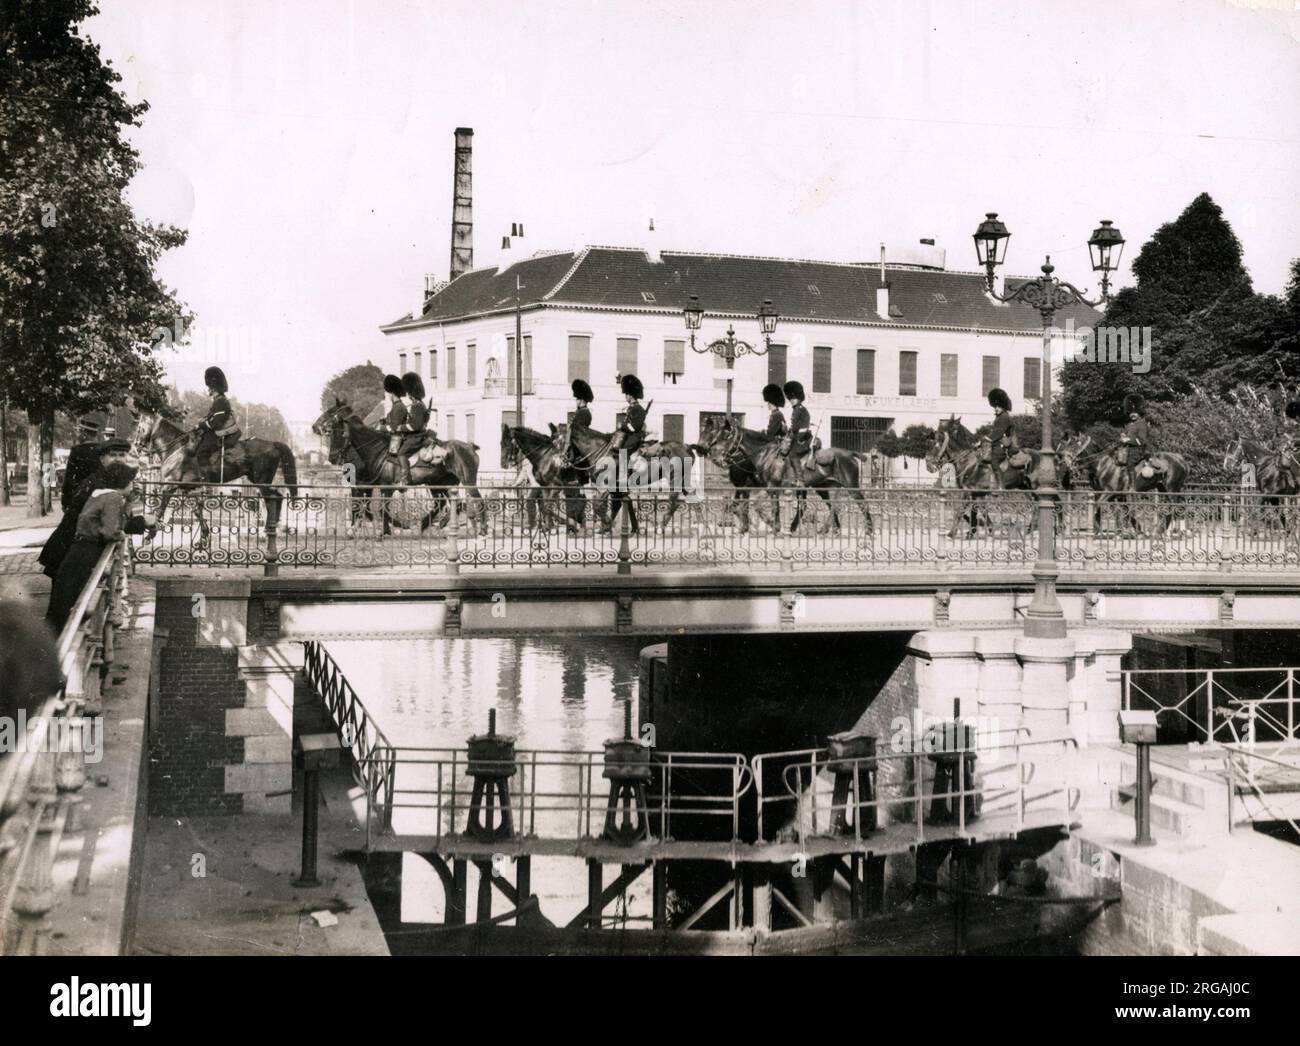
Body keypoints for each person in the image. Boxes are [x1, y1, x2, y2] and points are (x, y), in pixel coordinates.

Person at [39, 438, 148, 581]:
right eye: (112, 455)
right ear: (102, 459)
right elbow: (109, 525)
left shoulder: (112, 481)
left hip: (82, 551)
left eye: (121, 455)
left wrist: (130, 500)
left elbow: (117, 521)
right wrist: (143, 522)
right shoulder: (98, 484)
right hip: (71, 549)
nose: (117, 459)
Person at [46, 462, 137, 632]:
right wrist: (121, 535)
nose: (133, 486)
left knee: (64, 596)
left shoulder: (98, 494)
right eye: (131, 481)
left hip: (77, 549)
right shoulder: (113, 498)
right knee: (80, 595)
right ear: (123, 482)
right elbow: (110, 531)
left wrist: (129, 504)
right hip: (88, 551)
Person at [608, 373, 646, 534]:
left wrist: (623, 426)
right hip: (628, 436)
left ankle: (624, 475)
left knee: (623, 451)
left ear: (632, 395)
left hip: (634, 438)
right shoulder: (631, 408)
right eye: (626, 394)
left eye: (628, 394)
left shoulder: (638, 409)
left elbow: (634, 428)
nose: (626, 396)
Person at [195, 366, 241, 476]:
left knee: (201, 451)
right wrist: (202, 421)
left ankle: (205, 477)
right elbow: (211, 418)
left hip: (220, 434)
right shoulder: (218, 400)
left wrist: (202, 425)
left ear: (214, 388)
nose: (208, 389)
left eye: (209, 387)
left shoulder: (220, 401)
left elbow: (216, 423)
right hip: (216, 432)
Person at [62, 417, 105, 510]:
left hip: (81, 495)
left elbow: (69, 477)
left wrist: (65, 501)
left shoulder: (76, 451)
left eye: (80, 432)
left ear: (84, 433)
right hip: (100, 494)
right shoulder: (103, 450)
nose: (78, 435)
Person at [377, 374, 410, 484]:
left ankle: (400, 478)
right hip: (394, 438)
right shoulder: (395, 407)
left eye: (388, 393)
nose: (387, 396)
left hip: (398, 439)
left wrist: (381, 427)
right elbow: (390, 422)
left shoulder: (399, 407)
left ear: (392, 393)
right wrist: (383, 421)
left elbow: (394, 428)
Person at [1117, 393, 1151, 485]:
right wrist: (1122, 437)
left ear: (1139, 412)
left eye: (1135, 412)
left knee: (1130, 463)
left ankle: (1132, 486)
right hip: (1127, 450)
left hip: (1138, 451)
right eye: (1131, 412)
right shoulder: (1129, 425)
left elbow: (1142, 441)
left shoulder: (1142, 424)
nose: (1132, 414)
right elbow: (1125, 436)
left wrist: (1128, 440)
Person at [783, 380, 811, 479]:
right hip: (797, 438)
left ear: (799, 398)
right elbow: (793, 427)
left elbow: (800, 428)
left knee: (792, 454)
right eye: (790, 398)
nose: (791, 400)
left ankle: (800, 479)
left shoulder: (800, 409)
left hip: (802, 439)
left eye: (794, 398)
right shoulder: (796, 409)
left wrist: (792, 435)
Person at [986, 388, 1014, 474]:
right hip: (996, 444)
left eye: (998, 406)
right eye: (995, 406)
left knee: (994, 460)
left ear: (1003, 407)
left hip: (1002, 446)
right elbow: (994, 431)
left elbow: (998, 433)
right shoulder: (999, 417)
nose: (996, 408)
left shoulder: (1004, 417)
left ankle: (999, 484)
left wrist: (987, 439)